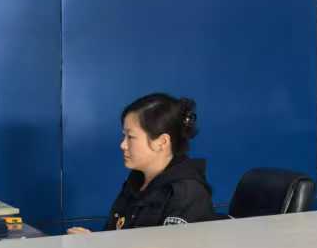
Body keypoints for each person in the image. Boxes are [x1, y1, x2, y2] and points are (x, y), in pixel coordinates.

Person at [68, 92, 216, 232]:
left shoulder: (186, 195)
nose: (123, 145)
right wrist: (93, 242)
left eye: (131, 137)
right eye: (124, 136)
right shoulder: (136, 180)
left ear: (162, 142)